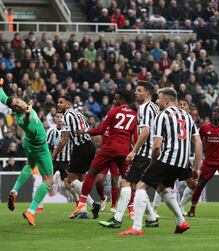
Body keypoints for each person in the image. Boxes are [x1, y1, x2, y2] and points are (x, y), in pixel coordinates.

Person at [119, 87, 202, 236]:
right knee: (162, 188)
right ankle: (181, 222)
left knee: (141, 186)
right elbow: (198, 142)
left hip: (168, 157)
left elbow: (156, 146)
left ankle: (136, 227)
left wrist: (152, 164)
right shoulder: (187, 116)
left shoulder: (161, 116)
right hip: (183, 162)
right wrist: (196, 167)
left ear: (166, 100)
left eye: (158, 99)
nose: (156, 102)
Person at [0, 76, 54, 226]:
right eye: (17, 106)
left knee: (29, 166)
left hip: (29, 145)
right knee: (49, 181)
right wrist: (27, 114)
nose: (19, 104)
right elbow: (27, 122)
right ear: (17, 111)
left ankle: (15, 190)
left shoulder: (20, 106)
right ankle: (31, 211)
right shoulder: (23, 119)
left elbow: (5, 98)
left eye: (19, 101)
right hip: (39, 147)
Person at [99, 81, 159, 228]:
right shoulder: (156, 108)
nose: (135, 93)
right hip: (152, 152)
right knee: (140, 186)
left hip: (145, 152)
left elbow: (145, 131)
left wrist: (133, 151)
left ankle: (117, 219)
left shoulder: (145, 108)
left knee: (125, 182)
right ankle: (151, 218)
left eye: (139, 90)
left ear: (147, 94)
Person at [69, 90, 137, 219]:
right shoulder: (135, 114)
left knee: (91, 173)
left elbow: (99, 130)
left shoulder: (113, 111)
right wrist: (133, 151)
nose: (115, 100)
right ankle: (132, 210)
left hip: (110, 148)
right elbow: (135, 137)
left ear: (122, 98)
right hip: (124, 150)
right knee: (127, 181)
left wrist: (85, 131)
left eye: (117, 98)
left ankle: (82, 203)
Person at [53, 95, 100, 218]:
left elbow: (64, 140)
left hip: (81, 147)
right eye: (58, 102)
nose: (58, 104)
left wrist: (53, 155)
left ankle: (92, 204)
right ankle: (84, 210)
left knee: (71, 180)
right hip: (89, 146)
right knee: (81, 179)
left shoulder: (67, 116)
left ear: (68, 104)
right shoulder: (77, 113)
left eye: (61, 102)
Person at [187, 106, 219, 218]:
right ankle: (192, 209)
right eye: (214, 111)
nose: (215, 113)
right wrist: (197, 159)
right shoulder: (204, 128)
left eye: (218, 112)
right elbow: (198, 142)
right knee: (200, 185)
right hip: (209, 161)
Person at [152, 98, 198, 216]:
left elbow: (196, 140)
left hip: (183, 159)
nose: (182, 106)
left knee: (193, 184)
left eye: (185, 105)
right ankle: (154, 209)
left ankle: (181, 206)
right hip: (169, 157)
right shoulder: (169, 117)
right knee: (161, 184)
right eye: (180, 104)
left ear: (188, 107)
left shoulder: (188, 120)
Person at [46, 112, 72, 187]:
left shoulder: (68, 130)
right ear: (55, 119)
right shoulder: (51, 131)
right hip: (53, 161)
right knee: (47, 181)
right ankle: (41, 198)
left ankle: (79, 197)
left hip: (65, 161)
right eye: (58, 117)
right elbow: (48, 146)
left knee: (67, 184)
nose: (60, 119)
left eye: (61, 117)